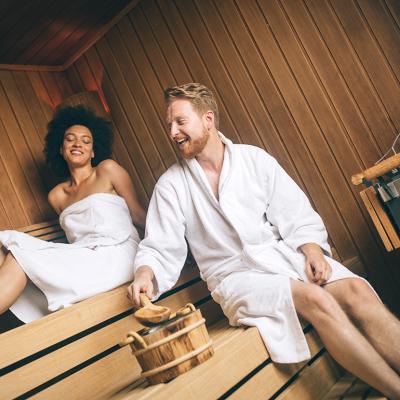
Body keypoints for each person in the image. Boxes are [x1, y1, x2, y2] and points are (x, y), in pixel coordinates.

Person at [128, 83, 400, 398]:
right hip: (235, 278)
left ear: (208, 119)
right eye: (169, 125)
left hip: (280, 257)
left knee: (355, 291)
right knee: (317, 299)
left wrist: (312, 250)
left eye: (180, 121)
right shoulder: (171, 186)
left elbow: (295, 213)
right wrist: (145, 273)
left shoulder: (253, 160)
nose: (173, 131)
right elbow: (160, 246)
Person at [0, 105, 146, 331]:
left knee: (19, 257)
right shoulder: (57, 195)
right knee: (4, 246)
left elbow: (137, 213)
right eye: (71, 139)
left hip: (119, 253)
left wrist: (168, 249)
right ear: (60, 148)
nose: (78, 144)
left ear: (94, 151)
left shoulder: (107, 170)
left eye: (86, 141)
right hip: (84, 255)